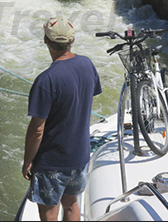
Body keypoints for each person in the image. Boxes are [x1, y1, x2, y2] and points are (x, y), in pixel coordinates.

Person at [22, 15, 102, 221]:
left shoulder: (46, 80)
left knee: (49, 212)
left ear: (46, 40)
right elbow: (85, 97)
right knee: (71, 203)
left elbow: (37, 130)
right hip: (80, 156)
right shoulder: (87, 65)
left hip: (52, 161)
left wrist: (28, 161)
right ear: (71, 41)